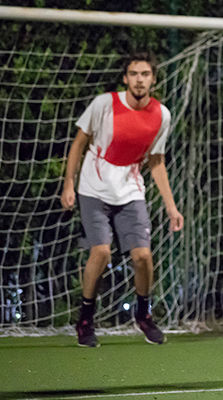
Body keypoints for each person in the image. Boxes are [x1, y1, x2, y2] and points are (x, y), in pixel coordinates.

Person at [61, 51, 184, 347]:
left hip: (130, 191)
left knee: (142, 256)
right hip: (93, 187)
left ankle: (144, 316)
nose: (139, 80)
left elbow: (156, 162)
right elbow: (79, 143)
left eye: (145, 74)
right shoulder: (105, 104)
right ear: (125, 78)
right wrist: (68, 182)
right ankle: (86, 321)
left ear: (153, 79)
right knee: (101, 252)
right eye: (134, 74)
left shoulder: (162, 115)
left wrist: (171, 207)